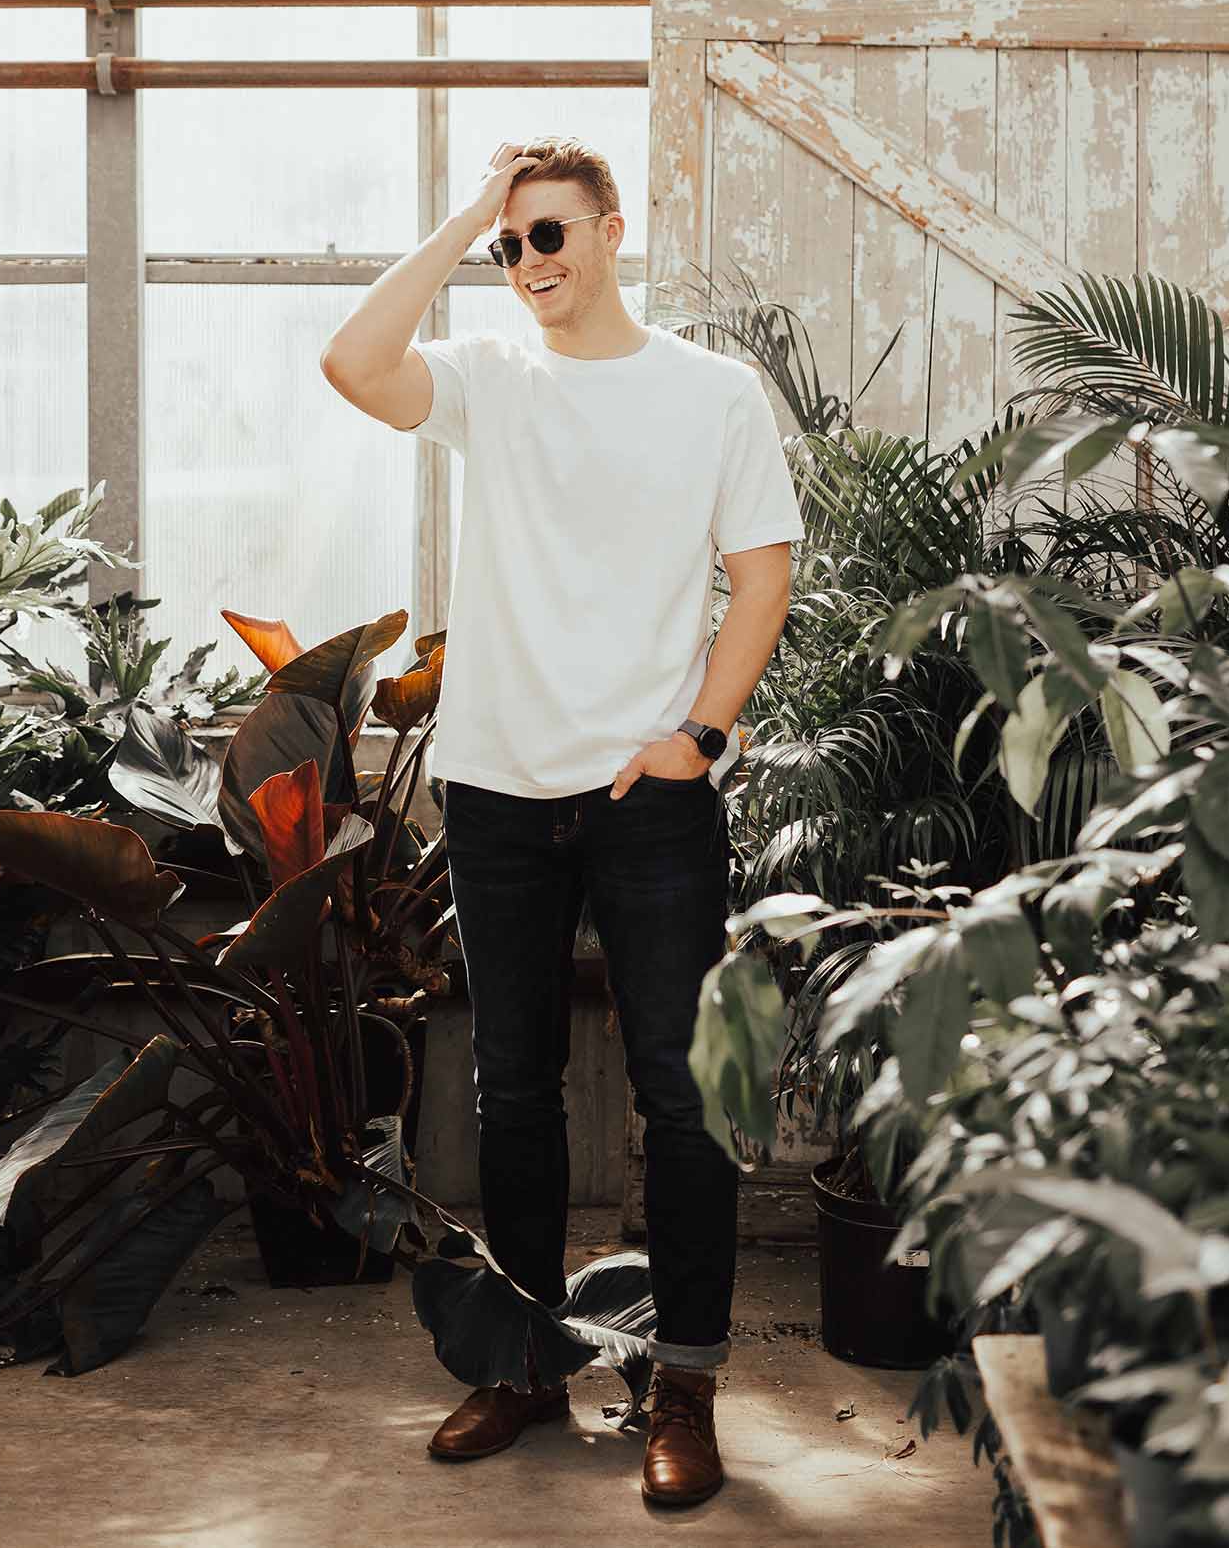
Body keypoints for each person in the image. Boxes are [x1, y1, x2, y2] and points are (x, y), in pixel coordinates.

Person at [321, 136, 802, 1507]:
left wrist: (697, 739)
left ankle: (685, 1385)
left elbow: (759, 581)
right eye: (509, 244)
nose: (528, 263)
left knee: (682, 1095)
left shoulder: (711, 393)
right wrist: (467, 210)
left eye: (548, 234)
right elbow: (354, 363)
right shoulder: (487, 378)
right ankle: (530, 1363)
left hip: (648, 804)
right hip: (495, 786)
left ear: (609, 228)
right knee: (511, 1093)